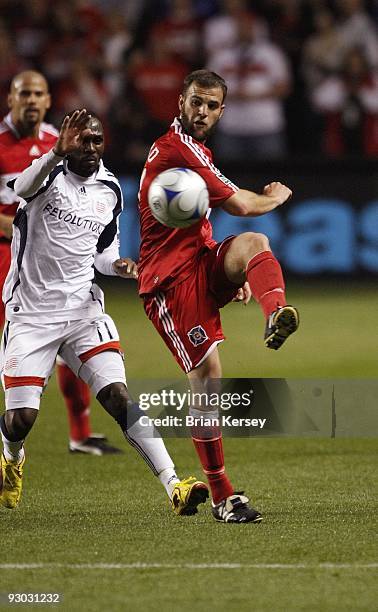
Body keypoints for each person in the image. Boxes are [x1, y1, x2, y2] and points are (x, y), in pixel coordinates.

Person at [0, 109, 208, 514]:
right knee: (20, 418)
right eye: (83, 140)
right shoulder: (47, 176)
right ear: (67, 142)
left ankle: (175, 486)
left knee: (118, 397)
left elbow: (103, 253)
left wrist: (121, 266)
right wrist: (56, 151)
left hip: (83, 311)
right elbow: (21, 188)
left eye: (97, 140)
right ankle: (11, 456)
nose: (91, 148)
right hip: (30, 313)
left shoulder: (110, 188)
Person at [138, 69, 299, 523]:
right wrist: (276, 196)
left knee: (252, 246)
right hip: (168, 283)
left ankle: (276, 313)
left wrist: (230, 270)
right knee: (207, 378)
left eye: (211, 105)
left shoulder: (193, 149)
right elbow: (242, 204)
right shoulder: (177, 149)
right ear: (181, 103)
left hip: (199, 260)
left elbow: (204, 224)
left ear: (222, 111)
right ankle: (223, 496)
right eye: (196, 102)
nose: (202, 111)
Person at [0, 70, 122, 455]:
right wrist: (15, 220)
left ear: (49, 100)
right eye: (25, 94)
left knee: (72, 341)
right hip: (7, 255)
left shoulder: (62, 141)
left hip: (38, 255)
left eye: (39, 93)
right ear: (11, 100)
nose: (32, 100)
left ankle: (80, 433)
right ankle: (16, 428)